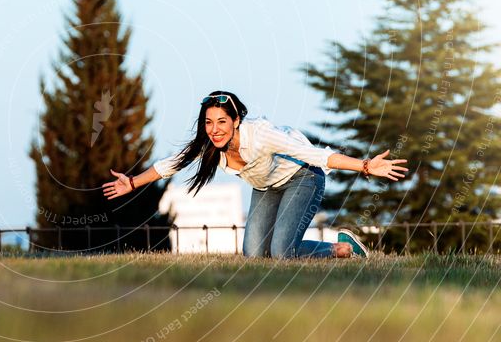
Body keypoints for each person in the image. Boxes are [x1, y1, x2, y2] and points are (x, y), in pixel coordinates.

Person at [102, 91, 408, 259]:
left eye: (222, 121)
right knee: (254, 255)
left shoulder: (262, 135)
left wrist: (366, 166)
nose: (215, 129)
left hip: (303, 177)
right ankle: (341, 249)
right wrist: (132, 182)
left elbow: (316, 155)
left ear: (236, 120)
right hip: (266, 187)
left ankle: (344, 247)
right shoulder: (209, 146)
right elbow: (172, 163)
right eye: (209, 123)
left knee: (281, 252)